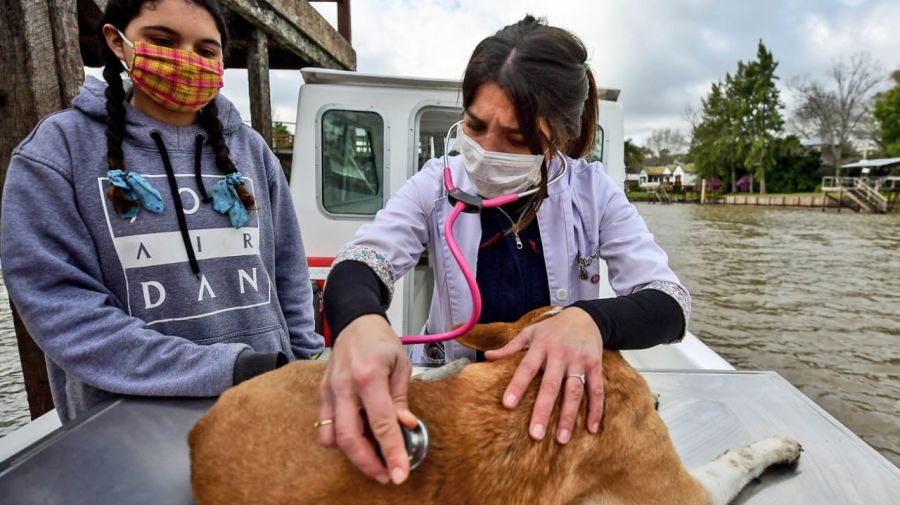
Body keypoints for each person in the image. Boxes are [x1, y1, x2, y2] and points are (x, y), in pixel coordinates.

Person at [317, 15, 691, 486]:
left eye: (517, 139)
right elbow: (361, 263)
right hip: (453, 394)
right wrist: (361, 323)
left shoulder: (594, 192)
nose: (487, 151)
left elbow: (670, 305)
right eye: (475, 126)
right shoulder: (438, 183)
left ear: (562, 137)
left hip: (555, 404)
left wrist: (590, 319)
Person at [0, 0, 322, 422]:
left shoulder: (251, 149)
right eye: (163, 40)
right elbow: (63, 311)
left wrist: (306, 365)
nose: (186, 59)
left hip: (265, 403)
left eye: (206, 50)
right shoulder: (56, 154)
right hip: (128, 427)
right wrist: (234, 368)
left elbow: (288, 274)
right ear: (118, 41)